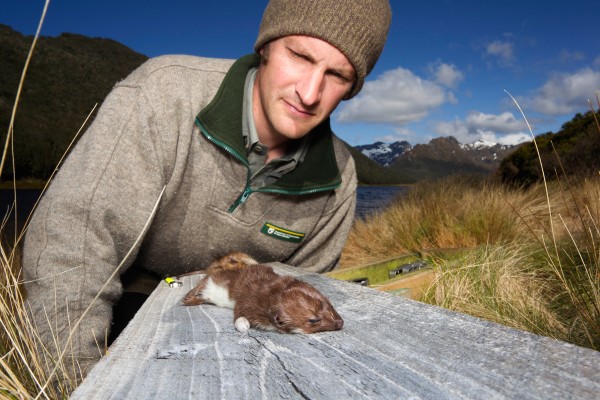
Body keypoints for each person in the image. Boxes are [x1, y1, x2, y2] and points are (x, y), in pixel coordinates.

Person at [22, 0, 391, 379]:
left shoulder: (340, 175)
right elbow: (73, 245)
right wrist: (79, 380)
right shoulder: (162, 95)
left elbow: (302, 306)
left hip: (243, 329)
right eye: (299, 55)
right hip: (130, 298)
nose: (310, 93)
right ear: (265, 46)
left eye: (338, 76)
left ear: (351, 90)